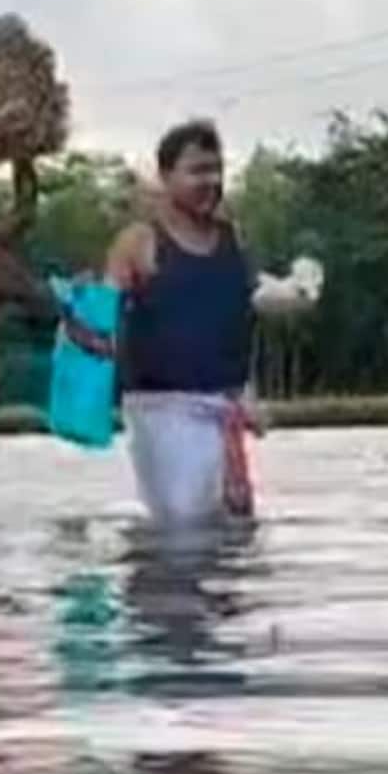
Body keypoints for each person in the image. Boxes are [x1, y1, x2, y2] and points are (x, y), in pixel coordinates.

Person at [105, 118, 289, 529]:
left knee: (236, 529)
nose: (210, 180)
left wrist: (247, 394)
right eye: (197, 171)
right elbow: (101, 315)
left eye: (216, 169)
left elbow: (239, 321)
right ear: (166, 176)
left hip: (225, 406)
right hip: (162, 409)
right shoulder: (139, 242)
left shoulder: (233, 239)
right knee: (184, 530)